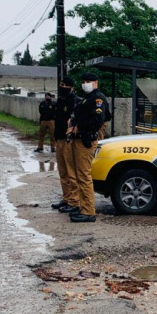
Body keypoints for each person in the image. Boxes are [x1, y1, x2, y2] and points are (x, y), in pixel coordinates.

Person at [67, 73, 110, 223]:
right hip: (80, 139)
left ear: (96, 82)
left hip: (86, 140)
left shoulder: (97, 99)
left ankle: (89, 211)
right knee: (80, 176)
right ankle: (84, 207)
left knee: (84, 176)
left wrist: (80, 126)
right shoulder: (88, 98)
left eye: (88, 81)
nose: (85, 84)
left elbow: (98, 120)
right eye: (84, 81)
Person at [52, 78, 80, 213]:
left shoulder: (75, 101)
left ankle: (74, 201)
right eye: (61, 84)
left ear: (72, 87)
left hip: (69, 140)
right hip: (59, 138)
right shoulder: (61, 100)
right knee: (62, 172)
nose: (62, 87)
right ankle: (66, 198)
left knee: (70, 171)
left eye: (64, 85)